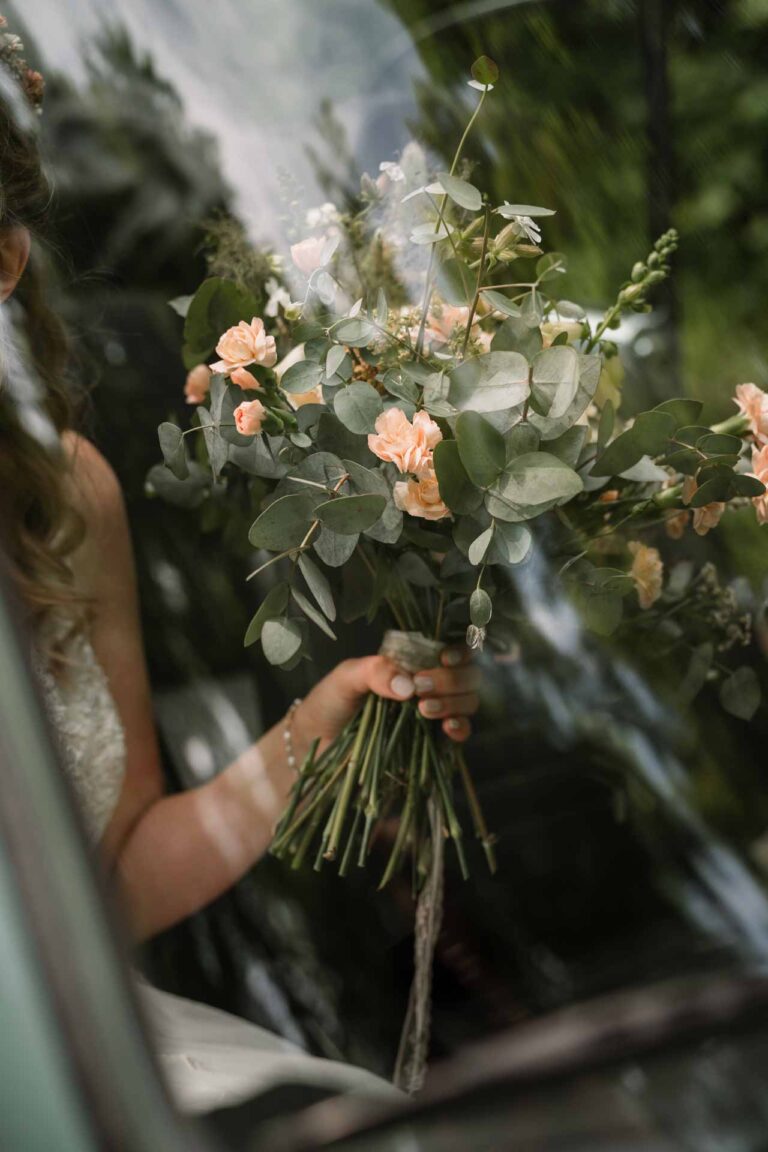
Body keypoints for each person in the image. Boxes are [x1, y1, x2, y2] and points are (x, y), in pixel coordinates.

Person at [0, 30, 480, 1116]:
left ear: (4, 264)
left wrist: (323, 724)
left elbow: (109, 886)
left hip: (108, 1061)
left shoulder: (67, 500)